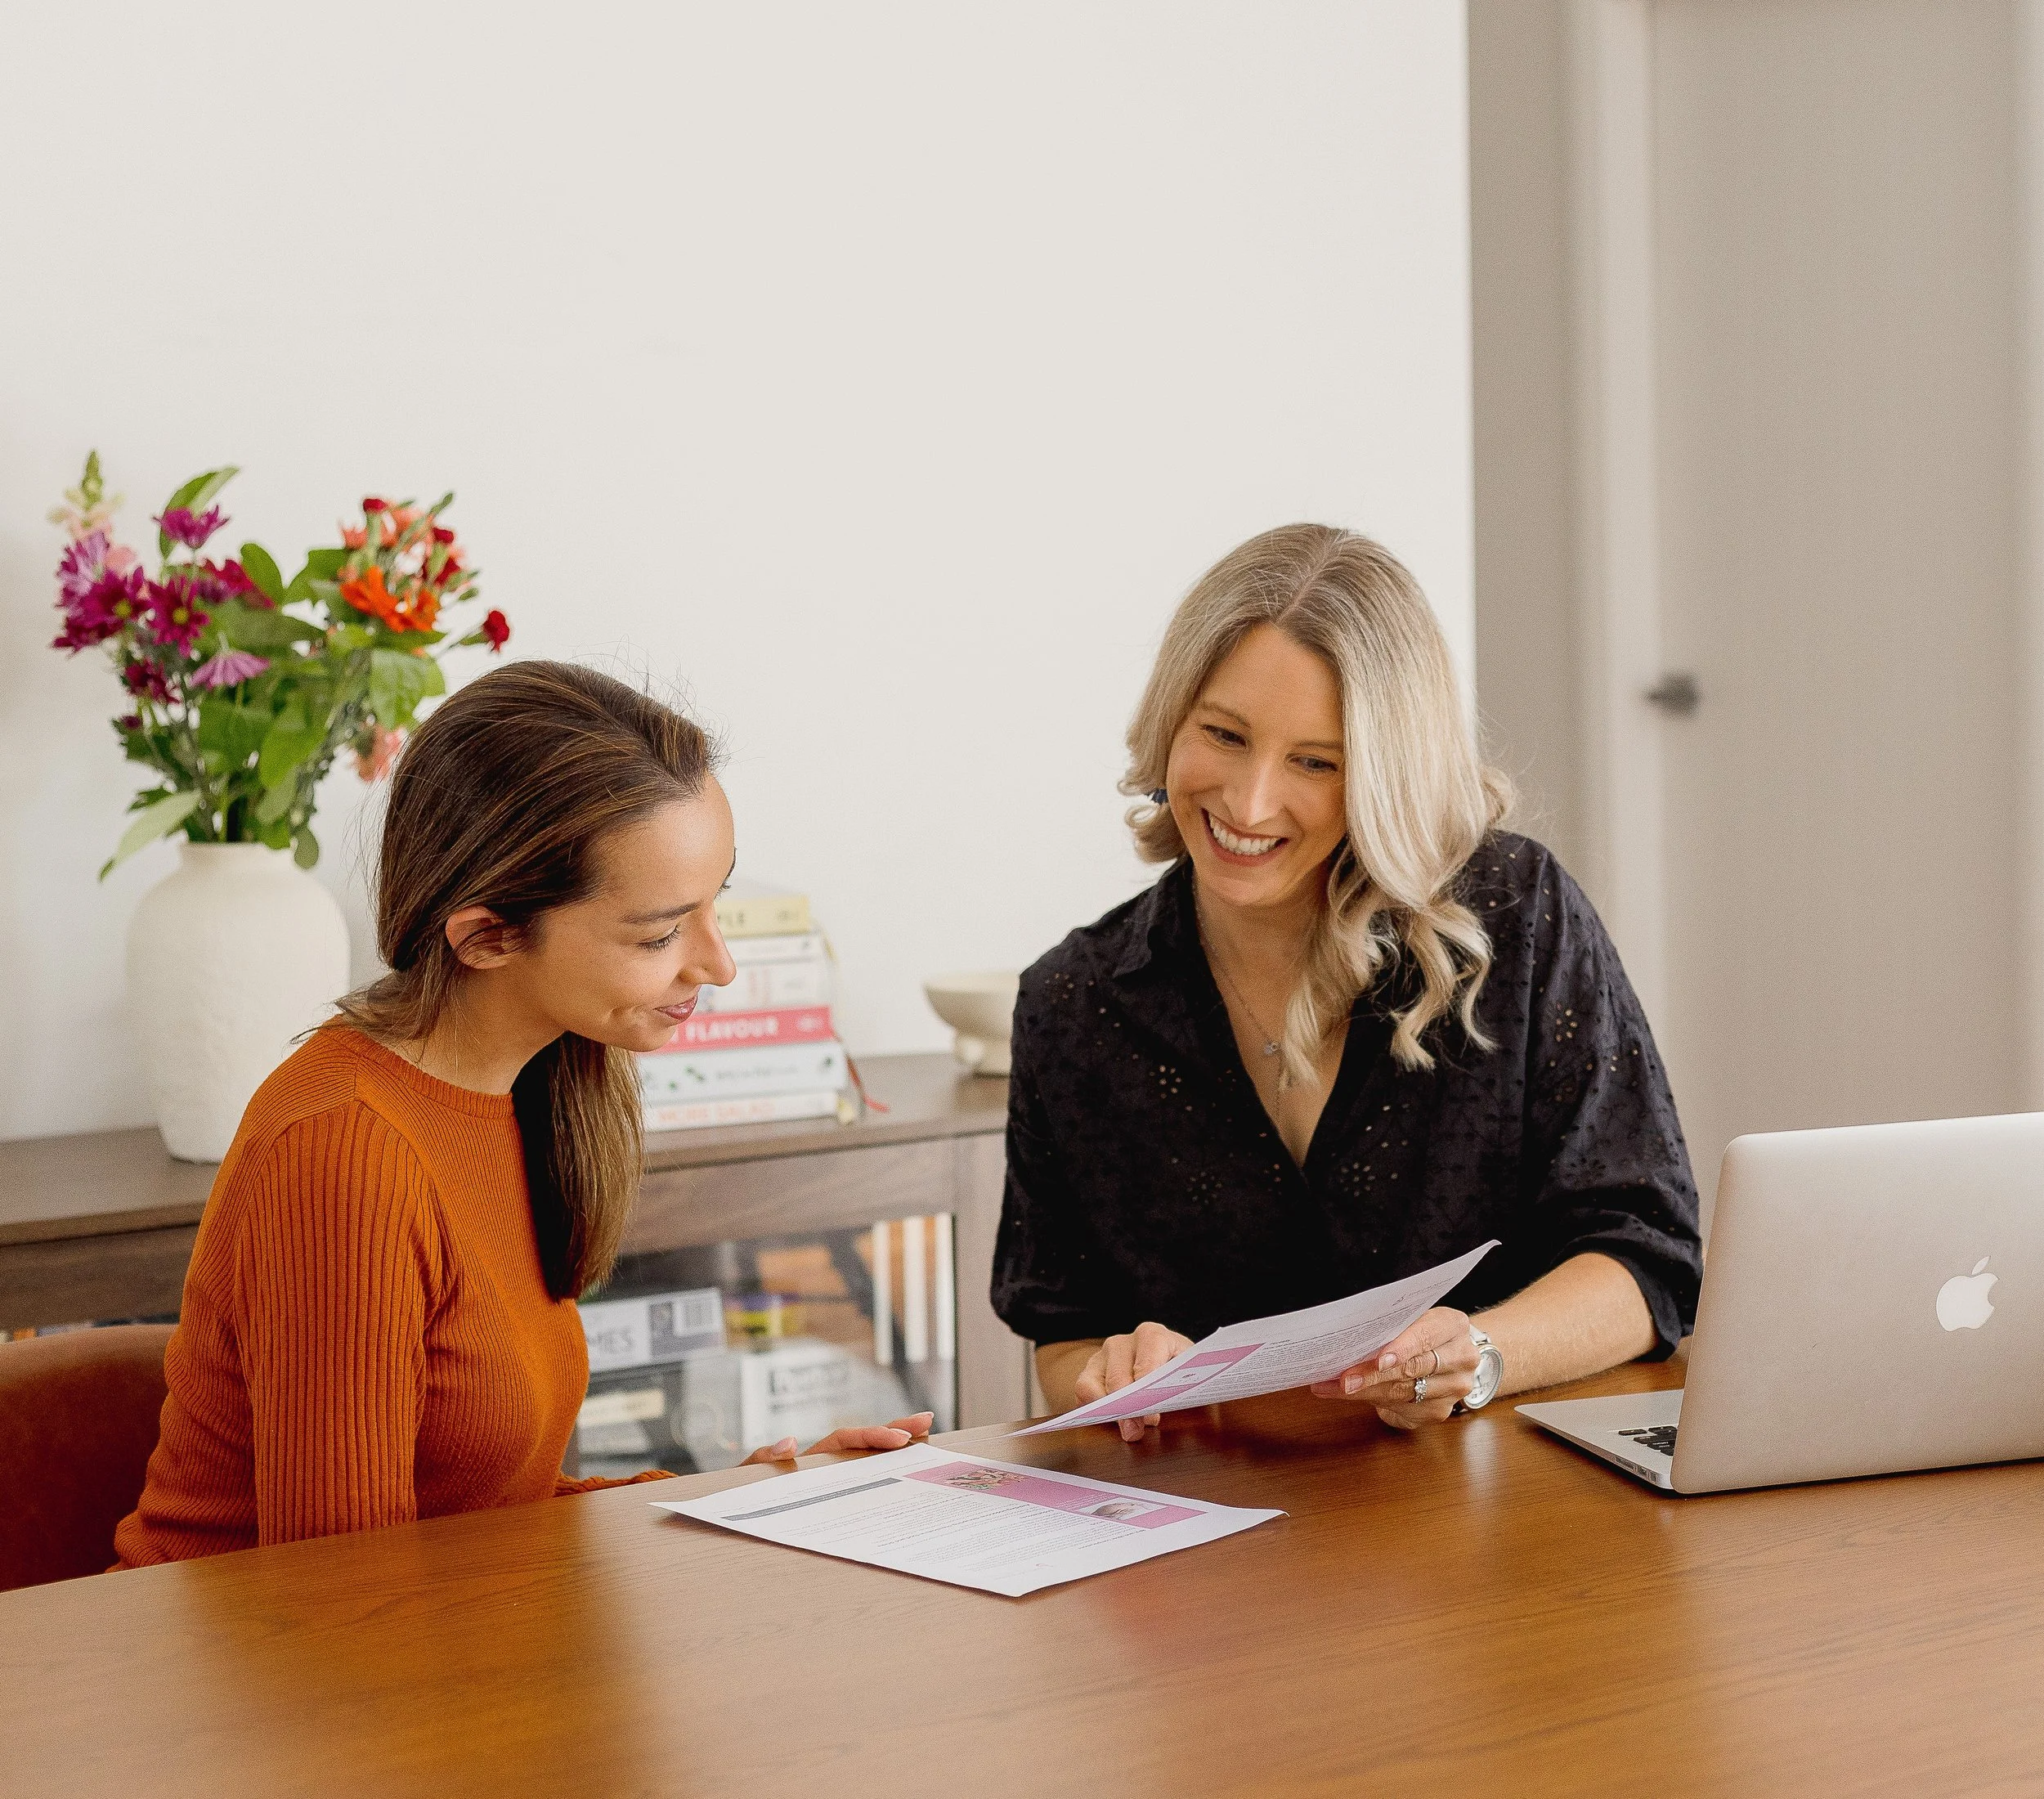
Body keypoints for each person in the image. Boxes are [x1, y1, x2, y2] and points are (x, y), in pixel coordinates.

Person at [116, 664, 926, 1566]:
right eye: (658, 934)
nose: (718, 964)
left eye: (715, 904)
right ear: (485, 936)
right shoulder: (345, 1153)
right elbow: (342, 1608)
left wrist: (745, 1494)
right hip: (255, 1687)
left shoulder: (538, 1087)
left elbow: (482, 1515)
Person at [992, 525, 1702, 1440]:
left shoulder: (1517, 920)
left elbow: (1646, 1256)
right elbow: (1061, 1334)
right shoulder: (1072, 1003)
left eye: (1316, 762)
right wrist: (1114, 1366)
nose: (1248, 804)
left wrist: (1480, 1353)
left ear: (1387, 773)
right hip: (1229, 1543)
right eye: (1223, 733)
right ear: (1172, 718)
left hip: (1512, 1515)